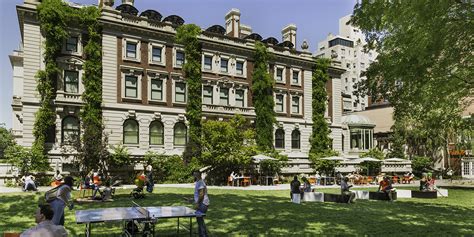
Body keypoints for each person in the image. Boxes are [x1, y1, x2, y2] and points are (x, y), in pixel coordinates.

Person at [193, 171, 209, 237]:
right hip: (201, 203)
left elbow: (201, 194)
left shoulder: (200, 182)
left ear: (198, 175)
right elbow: (199, 194)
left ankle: (203, 235)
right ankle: (202, 235)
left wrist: (197, 203)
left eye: (195, 174)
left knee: (200, 221)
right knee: (200, 221)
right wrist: (191, 199)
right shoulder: (198, 182)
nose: (194, 175)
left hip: (202, 204)